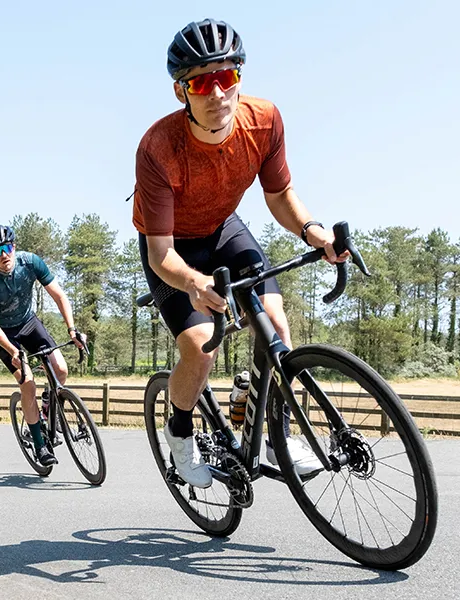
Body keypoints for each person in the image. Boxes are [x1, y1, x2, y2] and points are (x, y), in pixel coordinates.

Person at [133, 18, 347, 487]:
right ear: (180, 92)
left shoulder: (264, 119)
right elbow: (160, 253)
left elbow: (279, 195)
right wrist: (194, 282)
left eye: (226, 77)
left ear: (239, 79)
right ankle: (180, 431)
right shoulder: (158, 148)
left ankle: (274, 428)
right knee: (200, 347)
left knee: (274, 321)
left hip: (223, 227)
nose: (216, 94)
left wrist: (313, 231)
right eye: (200, 82)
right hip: (172, 246)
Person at [0, 225, 87, 466]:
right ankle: (40, 445)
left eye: (7, 248)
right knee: (28, 383)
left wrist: (72, 329)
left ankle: (47, 406)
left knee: (61, 369)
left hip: (28, 323)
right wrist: (14, 352)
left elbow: (59, 296)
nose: (4, 255)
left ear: (14, 247)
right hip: (5, 335)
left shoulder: (30, 262)